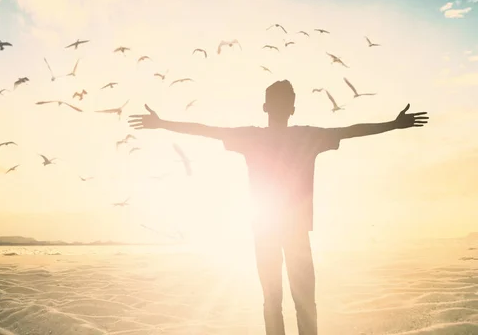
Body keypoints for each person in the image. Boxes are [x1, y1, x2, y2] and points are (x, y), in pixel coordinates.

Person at [127, 79, 429, 335]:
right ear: (288, 108)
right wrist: (393, 124)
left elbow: (207, 129)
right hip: (282, 230)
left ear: (267, 107)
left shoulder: (262, 136)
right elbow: (351, 130)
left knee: (281, 301)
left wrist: (162, 123)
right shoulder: (304, 136)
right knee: (297, 301)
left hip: (273, 231)